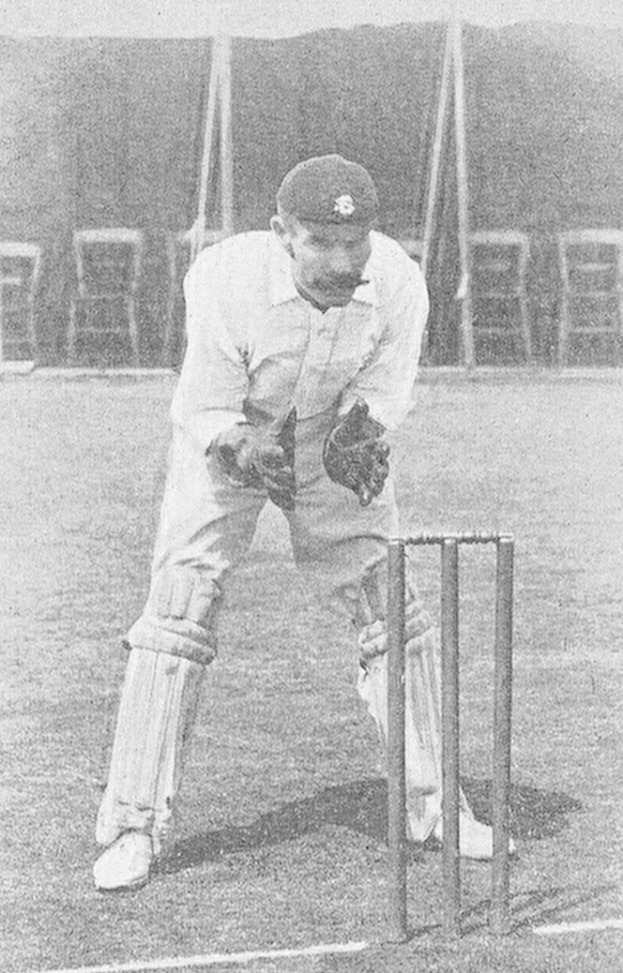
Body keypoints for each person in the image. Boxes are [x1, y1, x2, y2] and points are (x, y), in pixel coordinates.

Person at [94, 154, 503, 891]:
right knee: (179, 608)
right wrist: (241, 445)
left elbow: (384, 387)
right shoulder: (225, 278)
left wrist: (359, 432)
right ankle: (133, 826)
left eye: (355, 241)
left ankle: (438, 805)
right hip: (235, 433)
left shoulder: (398, 281)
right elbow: (206, 405)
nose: (341, 262)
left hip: (330, 437)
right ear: (282, 233)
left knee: (389, 603)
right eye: (320, 242)